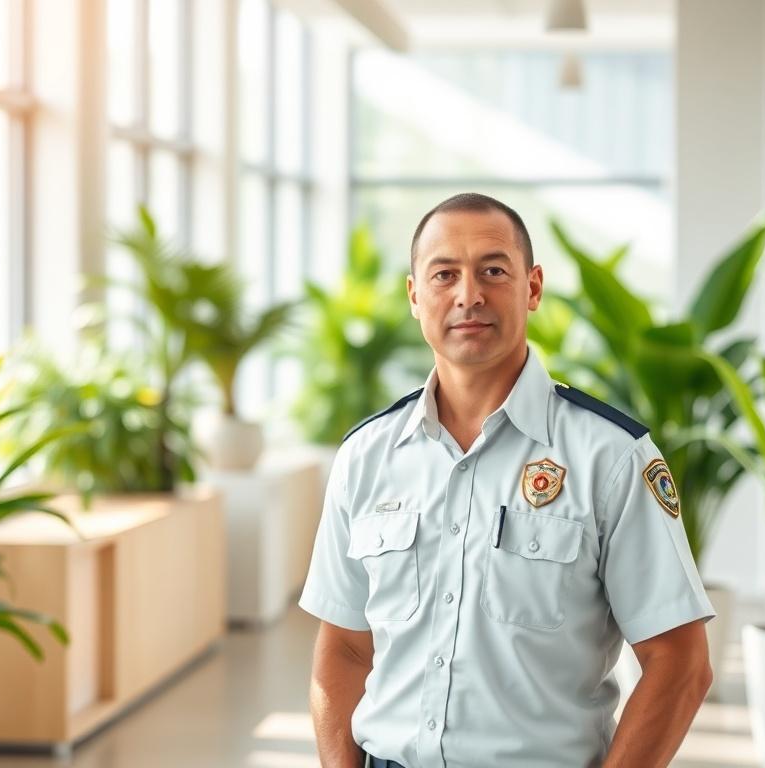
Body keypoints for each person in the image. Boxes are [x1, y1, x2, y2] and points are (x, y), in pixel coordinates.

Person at [298, 193, 715, 768]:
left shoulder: (612, 456)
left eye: (493, 270)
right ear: (415, 296)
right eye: (444, 274)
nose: (469, 294)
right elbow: (343, 648)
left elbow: (681, 664)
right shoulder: (365, 456)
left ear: (533, 288)